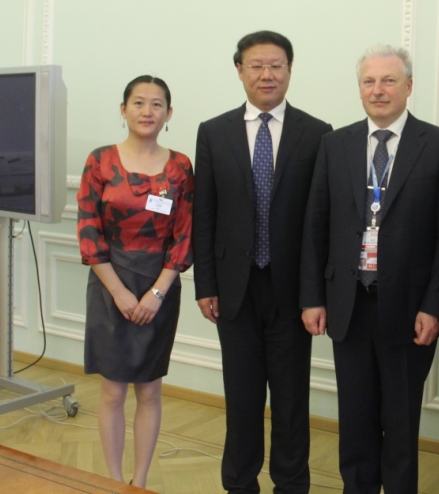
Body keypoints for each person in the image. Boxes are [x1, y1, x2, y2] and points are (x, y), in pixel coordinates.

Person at [300, 44, 439, 494]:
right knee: (355, 418)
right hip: (348, 305)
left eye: (389, 80)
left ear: (408, 86)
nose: (378, 90)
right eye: (368, 81)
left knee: (401, 421)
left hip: (410, 310)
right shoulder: (335, 144)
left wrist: (436, 307)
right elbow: (315, 225)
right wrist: (312, 297)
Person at [192, 30, 331, 494]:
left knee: (291, 400)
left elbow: (321, 222)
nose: (267, 74)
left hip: (293, 292)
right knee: (241, 396)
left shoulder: (318, 133)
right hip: (234, 288)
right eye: (256, 65)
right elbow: (204, 214)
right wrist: (205, 285)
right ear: (239, 71)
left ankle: (291, 484)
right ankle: (239, 483)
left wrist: (315, 293)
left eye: (276, 65)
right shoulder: (214, 132)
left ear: (290, 70)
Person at [76, 75, 193, 488]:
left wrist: (157, 293)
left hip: (159, 287)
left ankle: (139, 482)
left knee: (149, 390)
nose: (147, 111)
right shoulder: (100, 161)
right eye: (139, 103)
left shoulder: (180, 166)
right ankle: (113, 481)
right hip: (110, 283)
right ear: (123, 109)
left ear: (168, 113)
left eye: (156, 104)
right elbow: (88, 232)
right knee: (112, 392)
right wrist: (120, 293)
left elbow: (185, 235)